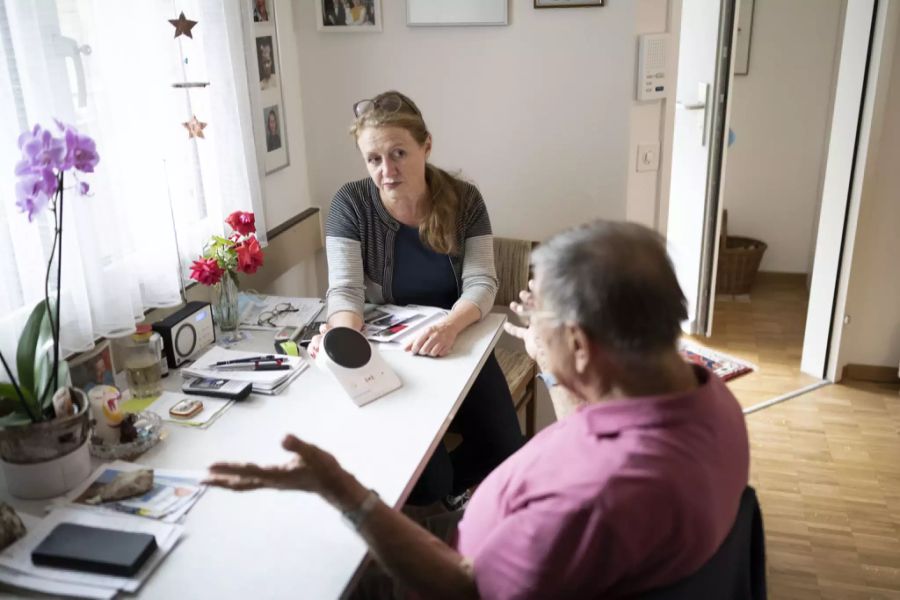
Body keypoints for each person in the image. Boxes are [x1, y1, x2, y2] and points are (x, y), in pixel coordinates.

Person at [205, 220, 751, 598]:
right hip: (496, 531)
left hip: (454, 575)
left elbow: (466, 589)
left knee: (304, 565)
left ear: (583, 345)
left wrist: (343, 491)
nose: (529, 317)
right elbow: (595, 430)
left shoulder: (596, 502)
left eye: (540, 311)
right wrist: (550, 358)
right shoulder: (705, 398)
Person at [310, 90, 523, 509]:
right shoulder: (350, 203)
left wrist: (449, 326)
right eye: (374, 159)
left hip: (459, 340)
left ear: (426, 145)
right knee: (430, 475)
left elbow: (482, 281)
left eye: (398, 153)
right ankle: (429, 504)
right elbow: (347, 290)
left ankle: (430, 501)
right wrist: (341, 338)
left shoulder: (464, 200)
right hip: (393, 350)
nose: (386, 170)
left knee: (504, 447)